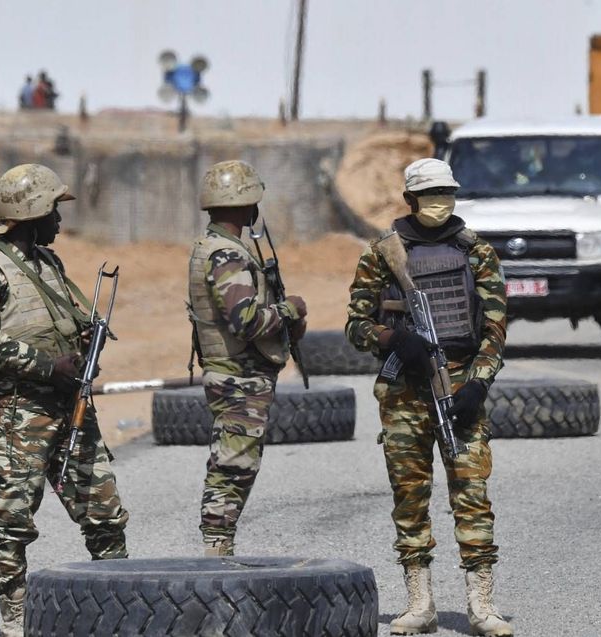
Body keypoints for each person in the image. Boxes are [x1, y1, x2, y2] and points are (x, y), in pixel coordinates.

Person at [0, 164, 129, 637]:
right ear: (31, 212)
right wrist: (50, 366)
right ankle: (15, 616)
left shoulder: (49, 264)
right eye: (54, 210)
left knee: (104, 512)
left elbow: (60, 321)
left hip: (70, 407)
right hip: (19, 412)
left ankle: (119, 606)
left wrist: (85, 336)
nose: (60, 221)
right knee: (13, 518)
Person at [346, 158, 513, 636]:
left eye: (447, 193)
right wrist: (394, 341)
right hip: (403, 392)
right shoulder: (382, 253)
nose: (440, 202)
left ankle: (482, 605)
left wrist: (478, 382)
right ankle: (420, 602)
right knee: (410, 497)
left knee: (472, 493)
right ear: (411, 200)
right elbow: (355, 325)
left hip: (459, 382)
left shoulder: (477, 251)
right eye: (431, 194)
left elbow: (495, 328)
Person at [187, 160, 308, 556]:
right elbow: (247, 320)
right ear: (246, 203)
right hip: (237, 377)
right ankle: (216, 552)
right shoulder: (227, 254)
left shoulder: (219, 246)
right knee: (232, 468)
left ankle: (219, 547)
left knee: (236, 465)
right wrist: (290, 309)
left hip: (235, 373)